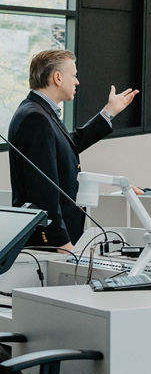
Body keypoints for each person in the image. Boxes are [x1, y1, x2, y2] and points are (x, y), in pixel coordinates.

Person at [6, 50, 137, 248]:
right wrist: (61, 243)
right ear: (57, 78)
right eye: (74, 75)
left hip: (58, 237)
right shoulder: (36, 118)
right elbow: (43, 190)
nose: (77, 82)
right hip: (51, 242)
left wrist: (108, 113)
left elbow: (68, 145)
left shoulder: (39, 111)